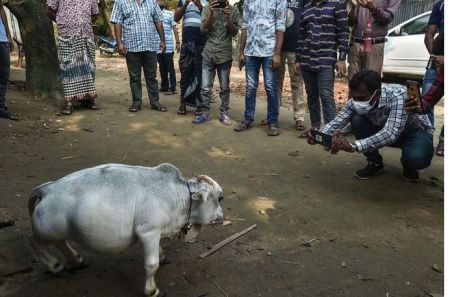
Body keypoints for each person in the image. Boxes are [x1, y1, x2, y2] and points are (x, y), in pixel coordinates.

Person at [307, 70, 434, 182]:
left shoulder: (399, 95)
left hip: (414, 133)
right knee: (357, 120)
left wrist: (353, 146)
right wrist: (320, 135)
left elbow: (390, 133)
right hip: (386, 130)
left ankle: (409, 164)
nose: (356, 102)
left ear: (377, 94)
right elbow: (338, 121)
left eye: (361, 98)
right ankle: (374, 162)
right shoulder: (358, 98)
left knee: (416, 158)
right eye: (353, 97)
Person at [233, 0, 287, 136]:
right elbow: (245, 26)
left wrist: (277, 53)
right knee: (251, 86)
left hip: (269, 51)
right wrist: (241, 52)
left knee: (270, 87)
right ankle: (248, 119)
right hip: (251, 51)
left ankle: (273, 122)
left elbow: (280, 26)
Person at [295, 0, 349, 136]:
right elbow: (301, 35)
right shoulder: (306, 7)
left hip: (326, 59)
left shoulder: (337, 5)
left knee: (326, 95)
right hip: (307, 60)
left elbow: (343, 32)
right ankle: (316, 128)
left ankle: (330, 133)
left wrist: (341, 58)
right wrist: (298, 59)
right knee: (311, 95)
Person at [111, 0, 168, 113]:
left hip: (150, 45)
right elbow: (117, 22)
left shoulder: (152, 2)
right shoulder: (120, 2)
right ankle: (137, 102)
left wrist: (162, 40)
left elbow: (158, 20)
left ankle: (155, 101)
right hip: (131, 46)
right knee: (134, 77)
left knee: (151, 76)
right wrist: (119, 42)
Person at [47, 0, 100, 115]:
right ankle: (69, 103)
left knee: (88, 66)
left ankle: (88, 100)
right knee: (68, 68)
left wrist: (85, 24)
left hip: (86, 35)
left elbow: (95, 13)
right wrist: (61, 22)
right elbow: (49, 11)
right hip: (67, 36)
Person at [193, 0, 240, 125]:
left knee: (224, 87)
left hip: (224, 53)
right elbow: (203, 29)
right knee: (205, 87)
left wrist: (228, 18)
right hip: (209, 52)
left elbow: (234, 32)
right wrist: (211, 14)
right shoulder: (207, 8)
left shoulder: (233, 10)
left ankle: (224, 114)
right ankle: (205, 113)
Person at [405, 33, 444, 155]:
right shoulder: (443, 72)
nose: (436, 67)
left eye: (437, 61)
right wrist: (417, 105)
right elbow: (430, 99)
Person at [347, 0, 401, 78]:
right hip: (356, 44)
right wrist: (354, 7)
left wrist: (372, 7)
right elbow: (350, 22)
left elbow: (387, 19)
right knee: (353, 83)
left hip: (374, 45)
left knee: (371, 82)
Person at [276, 0, 306, 131]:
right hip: (278, 48)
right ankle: (273, 114)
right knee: (276, 82)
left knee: (297, 83)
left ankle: (299, 118)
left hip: (296, 48)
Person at [174, 0, 208, 115]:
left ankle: (199, 105)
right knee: (185, 73)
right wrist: (186, 4)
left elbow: (210, 17)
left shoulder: (208, 1)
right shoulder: (183, 1)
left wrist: (198, 4)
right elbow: (176, 18)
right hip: (187, 42)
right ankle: (183, 103)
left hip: (201, 43)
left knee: (199, 74)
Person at [423, 0, 444, 156]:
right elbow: (429, 34)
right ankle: (425, 138)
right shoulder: (441, 5)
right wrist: (436, 57)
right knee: (426, 100)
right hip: (438, 56)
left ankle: (444, 140)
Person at [155, 0, 180, 95]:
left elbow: (174, 28)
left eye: (161, 0)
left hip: (168, 46)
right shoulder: (152, 13)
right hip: (157, 46)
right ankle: (164, 86)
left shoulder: (169, 13)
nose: (159, 2)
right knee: (162, 68)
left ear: (164, 2)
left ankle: (172, 87)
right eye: (157, 0)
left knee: (170, 67)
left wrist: (177, 42)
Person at [0, 2, 17, 120]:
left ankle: (0, 106)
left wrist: (9, 36)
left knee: (3, 74)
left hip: (1, 39)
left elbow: (1, 10)